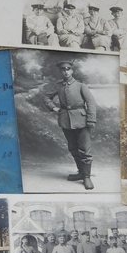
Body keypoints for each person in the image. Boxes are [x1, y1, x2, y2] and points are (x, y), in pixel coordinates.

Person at [44, 61, 97, 189]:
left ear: (72, 71)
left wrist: (91, 120)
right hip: (66, 120)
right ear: (61, 72)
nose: (66, 71)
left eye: (68, 69)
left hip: (82, 120)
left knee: (85, 149)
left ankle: (86, 177)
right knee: (73, 148)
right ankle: (80, 173)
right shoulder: (58, 86)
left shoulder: (80, 86)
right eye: (63, 70)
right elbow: (46, 97)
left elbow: (91, 103)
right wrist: (53, 108)